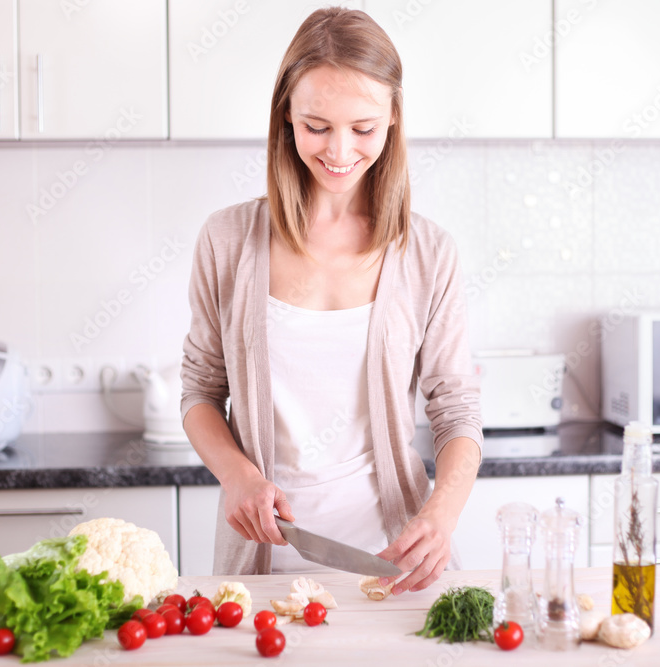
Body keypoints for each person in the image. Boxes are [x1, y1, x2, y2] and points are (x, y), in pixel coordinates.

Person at [180, 7, 482, 595]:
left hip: (393, 567)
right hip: (262, 570)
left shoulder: (428, 252)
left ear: (393, 117)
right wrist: (238, 477)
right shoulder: (227, 239)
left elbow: (456, 409)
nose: (339, 151)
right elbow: (199, 390)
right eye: (316, 126)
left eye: (363, 128)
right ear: (285, 116)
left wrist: (440, 516)